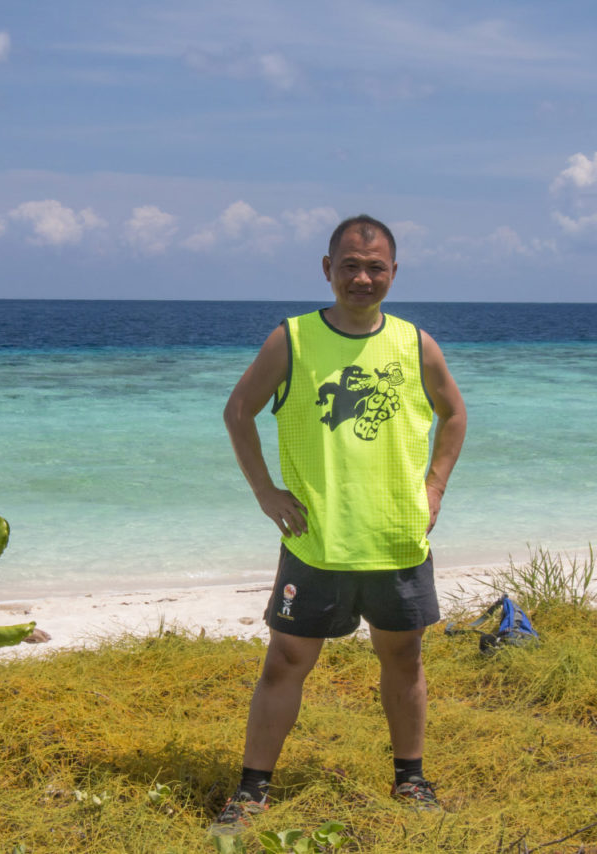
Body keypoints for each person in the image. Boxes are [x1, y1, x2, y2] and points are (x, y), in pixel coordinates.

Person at [212, 214, 467, 835]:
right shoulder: (293, 339)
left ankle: (410, 779)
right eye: (350, 265)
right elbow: (239, 412)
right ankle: (251, 792)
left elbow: (454, 415)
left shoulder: (415, 343)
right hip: (317, 540)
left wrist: (435, 485)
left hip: (396, 538)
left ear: (393, 274)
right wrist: (264, 491)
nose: (362, 276)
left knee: (403, 659)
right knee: (285, 663)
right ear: (327, 269)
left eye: (375, 267)